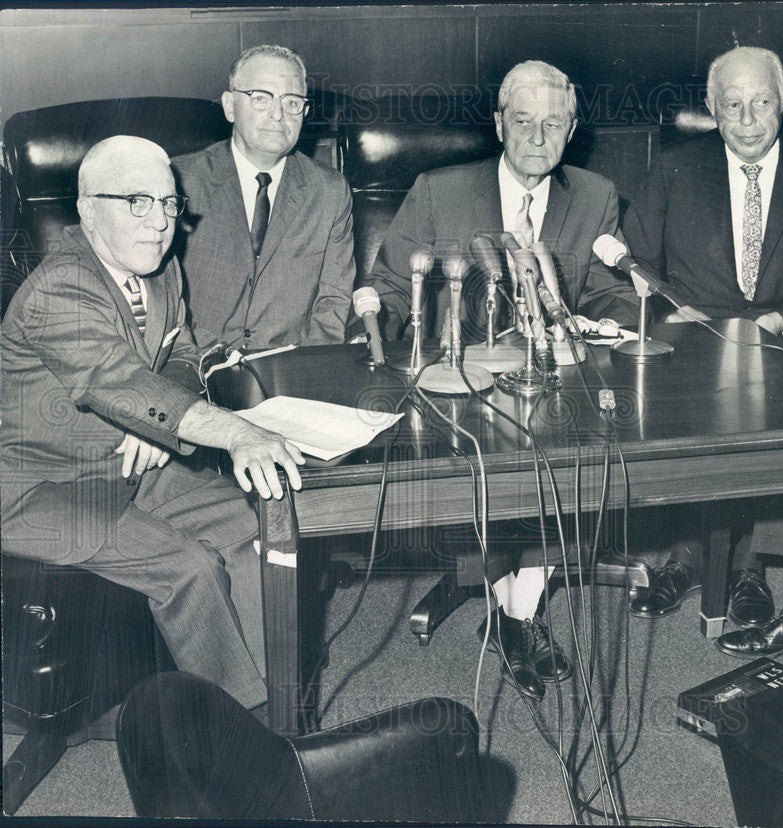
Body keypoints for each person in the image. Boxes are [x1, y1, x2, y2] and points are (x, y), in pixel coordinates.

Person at [0, 136, 306, 712]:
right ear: (88, 209)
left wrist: (151, 425)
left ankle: (282, 708)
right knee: (188, 567)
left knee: (250, 526)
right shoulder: (59, 287)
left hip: (127, 466)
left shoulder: (160, 270)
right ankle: (235, 727)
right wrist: (237, 433)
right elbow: (121, 381)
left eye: (168, 204)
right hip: (38, 490)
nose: (160, 222)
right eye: (136, 202)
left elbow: (185, 357)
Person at [365, 60, 640, 700]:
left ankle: (519, 605)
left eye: (553, 124)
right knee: (491, 462)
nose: (537, 139)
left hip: (551, 382)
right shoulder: (438, 189)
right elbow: (387, 288)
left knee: (577, 449)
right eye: (523, 122)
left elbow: (612, 294)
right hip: (459, 389)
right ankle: (510, 605)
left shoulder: (595, 195)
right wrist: (387, 333)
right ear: (498, 124)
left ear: (571, 130)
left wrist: (608, 323)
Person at [622, 46, 783, 641]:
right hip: (693, 340)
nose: (749, 119)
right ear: (711, 108)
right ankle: (688, 558)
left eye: (762, 102)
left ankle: (749, 569)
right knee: (681, 411)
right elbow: (634, 267)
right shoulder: (674, 168)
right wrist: (671, 313)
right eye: (733, 105)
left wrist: (782, 320)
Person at [173, 44, 356, 351]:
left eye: (292, 102)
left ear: (305, 112)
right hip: (194, 367)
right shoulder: (178, 182)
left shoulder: (330, 192)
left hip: (290, 373)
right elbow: (160, 297)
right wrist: (200, 364)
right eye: (261, 98)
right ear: (231, 106)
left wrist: (303, 378)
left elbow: (332, 305)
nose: (278, 114)